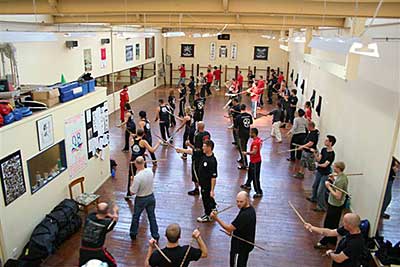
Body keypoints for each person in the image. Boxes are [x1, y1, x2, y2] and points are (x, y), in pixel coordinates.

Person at [211, 191, 256, 267]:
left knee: (239, 263)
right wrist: (234, 230)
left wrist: (216, 218)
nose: (238, 204)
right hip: (243, 240)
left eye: (241, 201)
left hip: (243, 243)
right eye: (237, 201)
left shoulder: (245, 214)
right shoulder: (248, 208)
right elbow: (240, 225)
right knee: (236, 259)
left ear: (247, 200)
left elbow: (229, 228)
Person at [177, 140, 217, 223]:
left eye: (204, 146)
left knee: (206, 198)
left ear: (209, 148)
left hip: (207, 184)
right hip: (202, 182)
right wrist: (181, 150)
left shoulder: (212, 161)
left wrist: (212, 190)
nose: (202, 147)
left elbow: (214, 177)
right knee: (208, 197)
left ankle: (208, 215)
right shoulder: (203, 154)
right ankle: (213, 207)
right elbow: (192, 151)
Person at [314, 162, 348, 248]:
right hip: (337, 205)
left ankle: (324, 242)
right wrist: (333, 181)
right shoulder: (343, 177)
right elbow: (337, 188)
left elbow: (338, 196)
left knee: (329, 224)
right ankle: (332, 241)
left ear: (338, 168)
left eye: (334, 167)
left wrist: (328, 186)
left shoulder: (341, 180)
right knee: (334, 223)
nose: (333, 168)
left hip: (335, 205)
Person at [79, 202, 119, 267]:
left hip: (83, 249)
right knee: (113, 264)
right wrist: (115, 211)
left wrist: (106, 213)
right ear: (107, 211)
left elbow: (101, 214)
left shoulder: (89, 217)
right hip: (97, 251)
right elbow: (115, 219)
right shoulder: (107, 224)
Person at [129, 156, 159, 241]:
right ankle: (155, 235)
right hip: (151, 197)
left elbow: (132, 192)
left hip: (141, 199)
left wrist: (132, 181)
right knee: (152, 217)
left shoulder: (137, 178)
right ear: (144, 163)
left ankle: (133, 234)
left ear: (136, 164)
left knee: (136, 217)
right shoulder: (150, 171)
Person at [126, 129, 161, 200]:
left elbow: (135, 150)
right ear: (144, 134)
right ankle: (144, 191)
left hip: (133, 160)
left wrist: (143, 152)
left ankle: (128, 193)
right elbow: (152, 150)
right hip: (140, 161)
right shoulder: (143, 142)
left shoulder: (132, 140)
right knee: (144, 175)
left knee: (131, 176)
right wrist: (158, 143)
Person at [306, 135, 336, 212]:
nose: (325, 141)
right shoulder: (323, 150)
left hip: (325, 174)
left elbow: (326, 164)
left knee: (321, 191)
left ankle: (321, 206)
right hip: (319, 171)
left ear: (330, 143)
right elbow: (319, 159)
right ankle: (313, 198)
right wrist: (315, 153)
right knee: (315, 185)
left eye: (327, 140)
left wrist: (317, 165)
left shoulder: (332, 154)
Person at [183, 122, 211, 196]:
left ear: (198, 127)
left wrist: (189, 145)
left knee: (195, 172)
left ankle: (197, 189)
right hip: (204, 156)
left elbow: (196, 149)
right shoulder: (207, 134)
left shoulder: (198, 136)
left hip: (197, 157)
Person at [240, 128, 263, 198]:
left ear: (254, 134)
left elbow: (254, 152)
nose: (249, 134)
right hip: (253, 161)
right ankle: (248, 184)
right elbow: (261, 143)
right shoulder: (258, 140)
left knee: (255, 177)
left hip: (256, 162)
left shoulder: (255, 142)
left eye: (251, 133)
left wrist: (246, 153)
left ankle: (258, 191)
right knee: (250, 173)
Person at [235, 104, 253, 170]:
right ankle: (242, 159)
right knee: (242, 147)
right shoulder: (249, 115)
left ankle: (245, 164)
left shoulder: (239, 117)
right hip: (247, 133)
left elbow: (236, 126)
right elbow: (251, 123)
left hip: (241, 134)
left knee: (243, 149)